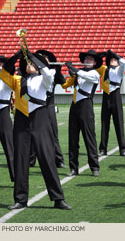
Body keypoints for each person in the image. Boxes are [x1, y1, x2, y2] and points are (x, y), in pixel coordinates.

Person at [0, 50, 71, 210]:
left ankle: (58, 198)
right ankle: (20, 199)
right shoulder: (18, 80)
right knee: (20, 161)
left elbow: (46, 71)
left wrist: (33, 58)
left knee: (47, 160)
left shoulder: (44, 79)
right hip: (21, 122)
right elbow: (4, 73)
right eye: (28, 64)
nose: (30, 66)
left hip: (40, 120)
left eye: (33, 64)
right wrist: (16, 57)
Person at [61, 50, 102, 177]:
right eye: (86, 59)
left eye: (91, 59)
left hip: (86, 106)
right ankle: (74, 168)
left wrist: (73, 68)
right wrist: (63, 71)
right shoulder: (79, 73)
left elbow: (85, 75)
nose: (88, 60)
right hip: (74, 106)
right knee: (73, 139)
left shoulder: (95, 73)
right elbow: (66, 84)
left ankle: (94, 167)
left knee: (89, 137)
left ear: (95, 62)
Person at [29, 50, 66, 168]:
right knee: (33, 132)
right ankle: (31, 160)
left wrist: (58, 68)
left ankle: (58, 160)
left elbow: (62, 81)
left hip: (49, 104)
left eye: (45, 59)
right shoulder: (33, 72)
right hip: (35, 105)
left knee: (53, 133)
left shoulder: (51, 72)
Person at [96, 50, 125, 157]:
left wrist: (114, 54)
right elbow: (96, 64)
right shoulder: (104, 69)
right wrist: (102, 55)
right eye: (111, 60)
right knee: (105, 124)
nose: (113, 61)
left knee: (119, 124)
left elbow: (123, 62)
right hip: (106, 96)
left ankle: (122, 149)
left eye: (115, 60)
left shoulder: (119, 69)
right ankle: (103, 149)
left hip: (116, 96)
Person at [0, 55, 14, 182]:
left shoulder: (7, 79)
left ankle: (15, 177)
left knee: (9, 148)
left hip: (3, 113)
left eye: (2, 65)